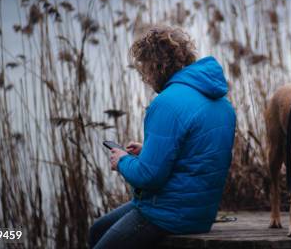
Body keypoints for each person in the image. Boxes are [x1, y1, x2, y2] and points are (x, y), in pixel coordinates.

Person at [89, 25, 236, 248]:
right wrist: (146, 152)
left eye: (144, 70)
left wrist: (122, 161)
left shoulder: (166, 103)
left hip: (167, 214)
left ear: (156, 66)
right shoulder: (221, 102)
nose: (144, 78)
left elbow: (149, 177)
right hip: (200, 213)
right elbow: (194, 155)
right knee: (96, 230)